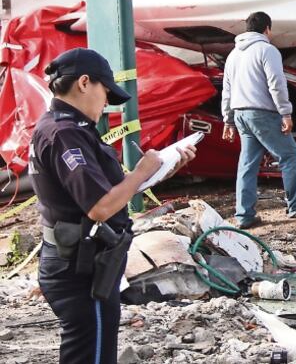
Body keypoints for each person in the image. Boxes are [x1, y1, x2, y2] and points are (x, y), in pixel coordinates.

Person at [29, 47, 195, 364]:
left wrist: (161, 169)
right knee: (90, 354)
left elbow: (110, 191)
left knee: (92, 351)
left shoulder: (67, 128)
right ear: (84, 83)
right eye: (105, 92)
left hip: (84, 262)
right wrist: (144, 171)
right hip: (79, 269)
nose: (106, 102)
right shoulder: (66, 134)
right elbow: (100, 208)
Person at [221, 12, 296, 228]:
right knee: (291, 156)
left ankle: (244, 215)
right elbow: (276, 83)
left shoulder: (233, 55)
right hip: (263, 114)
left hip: (240, 115)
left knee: (247, 164)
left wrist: (228, 121)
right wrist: (286, 112)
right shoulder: (267, 50)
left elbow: (226, 90)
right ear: (267, 29)